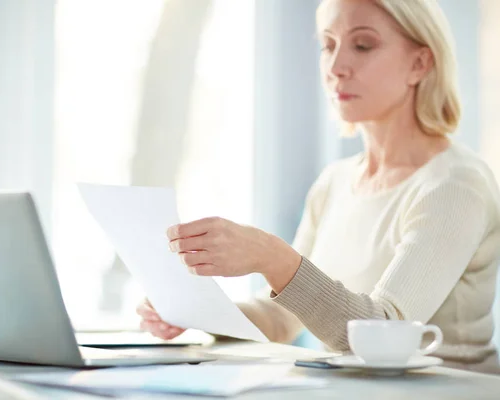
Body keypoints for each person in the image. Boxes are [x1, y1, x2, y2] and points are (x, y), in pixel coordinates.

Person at [136, 0, 500, 374]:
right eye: (328, 45)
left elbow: (383, 335)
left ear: (419, 64)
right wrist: (197, 313)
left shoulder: (455, 185)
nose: (337, 67)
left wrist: (273, 257)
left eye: (362, 45)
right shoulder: (335, 182)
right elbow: (281, 317)